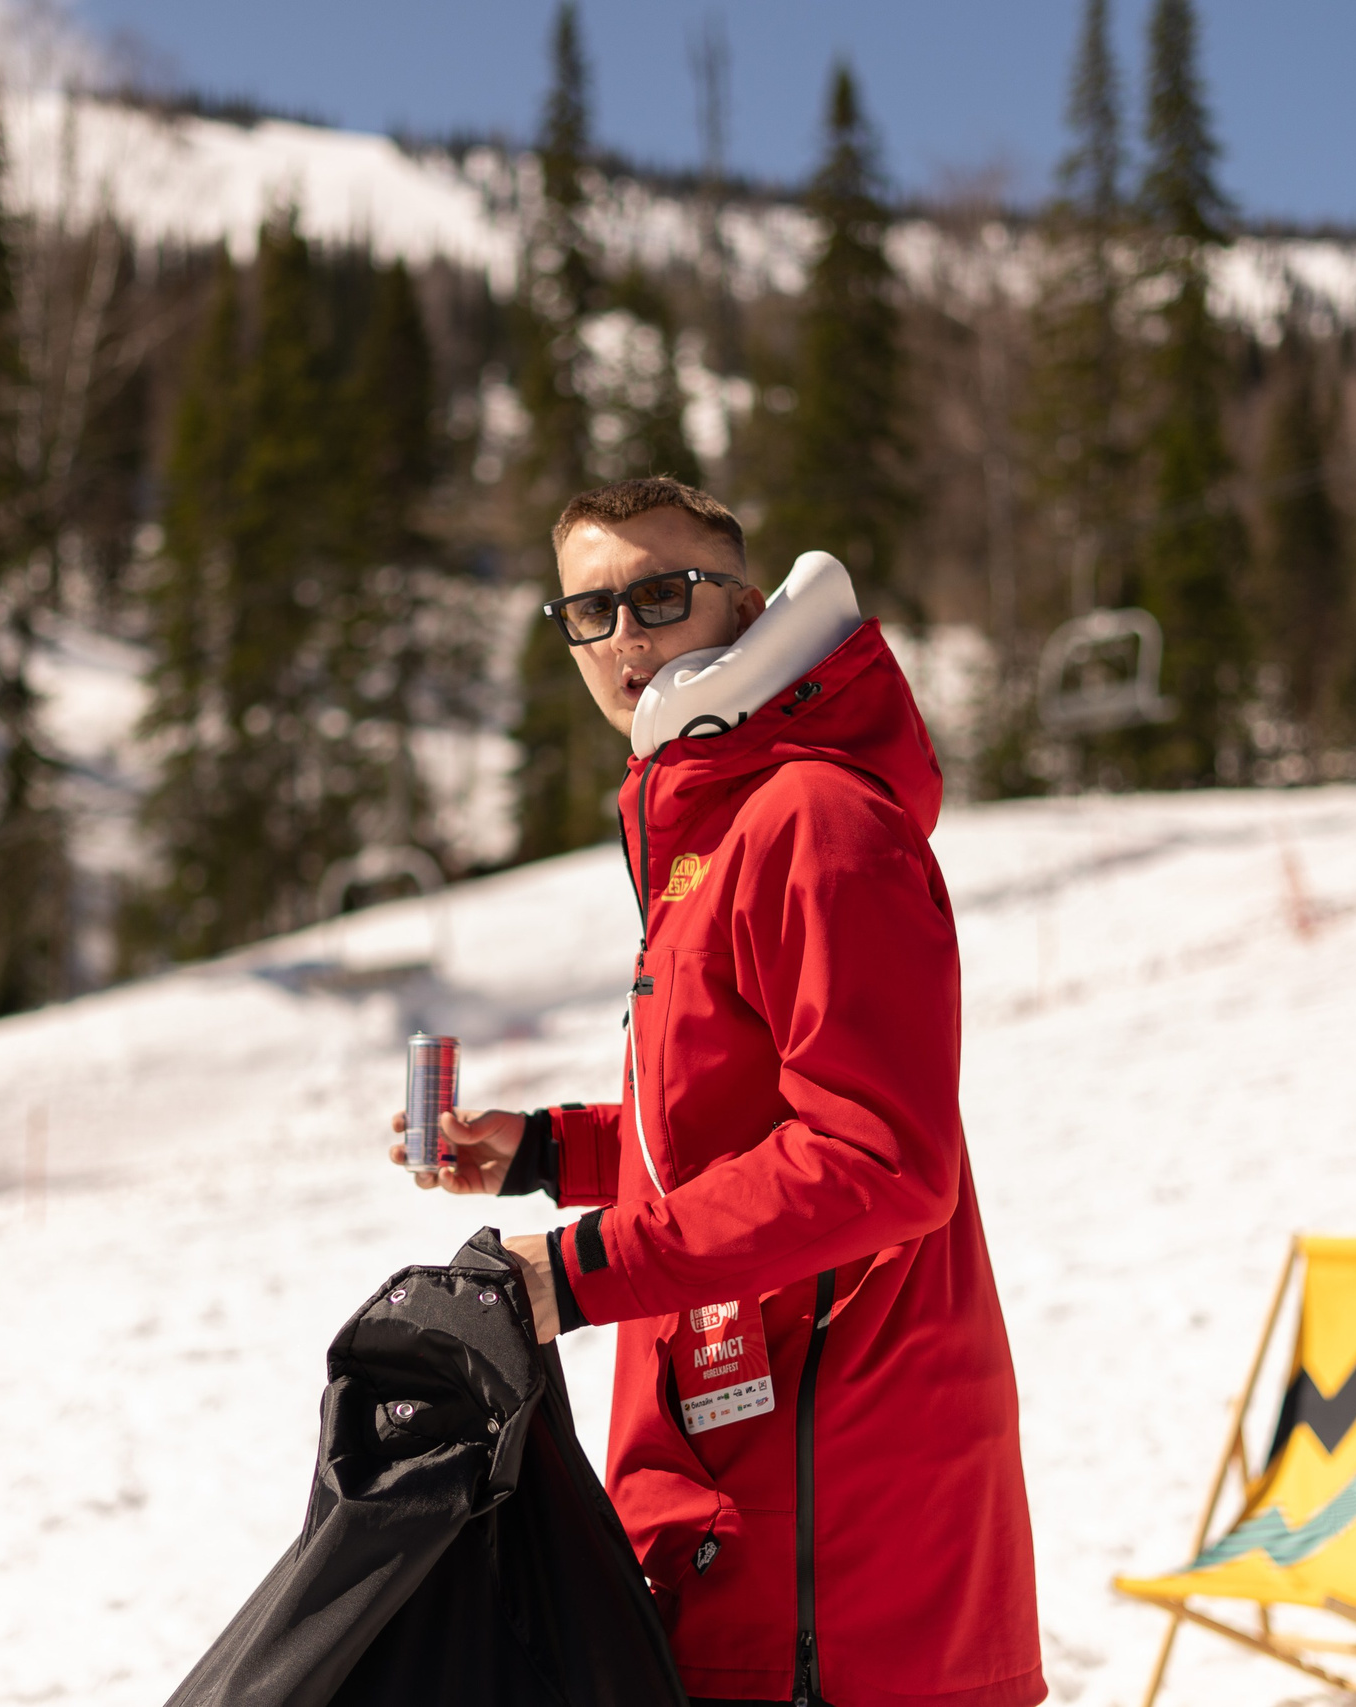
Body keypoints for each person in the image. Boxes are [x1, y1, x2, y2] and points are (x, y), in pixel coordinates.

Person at [389, 477, 1043, 1707]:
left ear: (742, 608)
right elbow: (723, 1132)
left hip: (839, 1554)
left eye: (658, 594)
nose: (625, 637)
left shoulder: (814, 819)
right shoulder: (713, 822)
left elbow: (875, 1161)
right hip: (723, 1510)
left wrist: (570, 1273)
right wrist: (539, 1150)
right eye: (590, 611)